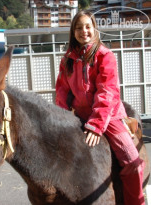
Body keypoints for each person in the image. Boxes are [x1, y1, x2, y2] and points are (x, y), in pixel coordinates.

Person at [55, 10, 145, 205]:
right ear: (73, 32)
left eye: (87, 26)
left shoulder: (105, 56)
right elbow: (62, 92)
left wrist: (96, 125)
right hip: (79, 116)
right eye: (79, 28)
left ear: (94, 29)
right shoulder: (67, 60)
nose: (83, 31)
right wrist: (61, 119)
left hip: (109, 116)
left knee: (132, 161)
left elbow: (107, 91)